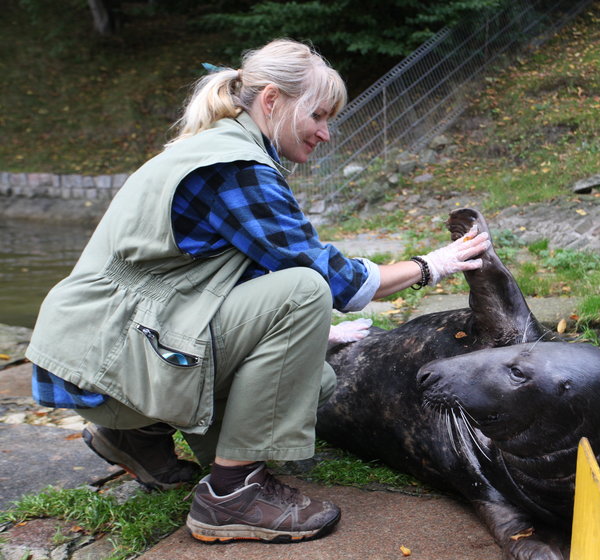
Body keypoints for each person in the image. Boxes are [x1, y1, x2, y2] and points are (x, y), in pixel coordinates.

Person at [26, 38, 490, 545]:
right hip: (111, 364)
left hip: (92, 354)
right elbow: (331, 280)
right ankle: (231, 495)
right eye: (318, 115)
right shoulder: (237, 167)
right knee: (306, 312)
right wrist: (431, 265)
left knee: (306, 328)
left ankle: (136, 437)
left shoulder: (214, 144)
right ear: (272, 100)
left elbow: (226, 274)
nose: (326, 133)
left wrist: (316, 333)